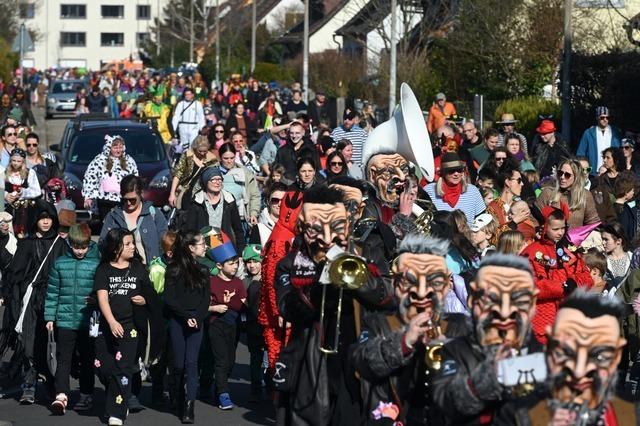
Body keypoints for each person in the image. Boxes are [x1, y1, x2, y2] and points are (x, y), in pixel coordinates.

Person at [274, 185, 390, 425]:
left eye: (335, 227)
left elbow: (388, 295)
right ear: (303, 227)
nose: (327, 239)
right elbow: (286, 307)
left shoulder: (367, 253)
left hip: (356, 360)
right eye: (316, 228)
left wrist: (355, 276)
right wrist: (319, 282)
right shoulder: (290, 263)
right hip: (310, 365)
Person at [351, 234, 468, 424]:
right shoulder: (378, 324)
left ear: (447, 286)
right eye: (409, 282)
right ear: (396, 284)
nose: (421, 293)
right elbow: (361, 361)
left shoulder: (460, 326)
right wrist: (404, 342)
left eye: (434, 282)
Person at [432, 254, 542, 424]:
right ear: (473, 302)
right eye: (492, 299)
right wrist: (487, 379)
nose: (504, 313)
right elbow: (444, 403)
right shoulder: (455, 351)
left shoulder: (541, 356)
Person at [517, 291, 634, 425]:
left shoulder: (628, 414)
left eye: (598, 356)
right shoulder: (520, 412)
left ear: (617, 356)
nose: (579, 371)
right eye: (568, 353)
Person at [0, 200, 66, 403]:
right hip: (29, 301)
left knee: (50, 343)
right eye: (41, 218)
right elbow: (15, 272)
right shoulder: (27, 243)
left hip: (53, 299)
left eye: (48, 218)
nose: (45, 222)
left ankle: (52, 385)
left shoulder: (60, 243)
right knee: (28, 343)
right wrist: (8, 294)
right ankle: (28, 385)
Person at [93, 228, 160, 426]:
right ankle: (117, 395)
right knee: (104, 368)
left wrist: (144, 300)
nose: (133, 247)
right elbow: (102, 298)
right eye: (128, 244)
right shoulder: (104, 269)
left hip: (131, 327)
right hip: (106, 326)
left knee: (123, 370)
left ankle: (117, 411)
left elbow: (152, 296)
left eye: (133, 243)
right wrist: (112, 322)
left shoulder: (138, 267)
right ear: (116, 248)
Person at [44, 223, 99, 414]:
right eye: (76, 246)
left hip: (89, 320)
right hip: (65, 319)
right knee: (63, 358)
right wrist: (50, 316)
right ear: (70, 244)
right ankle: (61, 394)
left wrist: (96, 299)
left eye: (83, 247)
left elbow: (103, 291)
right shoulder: (60, 264)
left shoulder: (96, 264)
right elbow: (52, 292)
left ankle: (86, 393)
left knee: (87, 358)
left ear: (89, 245)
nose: (80, 251)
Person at [521, 207, 593, 344]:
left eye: (563, 228)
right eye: (555, 229)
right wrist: (561, 287)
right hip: (543, 320)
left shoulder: (570, 250)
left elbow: (587, 277)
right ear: (544, 227)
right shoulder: (531, 252)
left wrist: (575, 283)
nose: (560, 233)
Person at [163, 229, 210, 423]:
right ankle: (177, 394)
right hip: (177, 320)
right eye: (201, 243)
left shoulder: (204, 270)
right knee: (178, 364)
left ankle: (189, 406)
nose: (205, 246)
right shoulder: (173, 269)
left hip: (196, 320)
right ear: (191, 248)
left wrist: (197, 317)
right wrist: (185, 317)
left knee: (192, 364)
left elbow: (205, 299)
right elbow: (170, 299)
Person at [207, 237, 246, 410]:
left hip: (233, 324)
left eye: (236, 263)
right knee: (221, 359)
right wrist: (214, 308)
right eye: (231, 263)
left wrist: (233, 302)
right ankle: (224, 393)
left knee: (230, 360)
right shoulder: (211, 282)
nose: (235, 266)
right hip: (216, 324)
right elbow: (203, 305)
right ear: (219, 266)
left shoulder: (238, 283)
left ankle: (218, 386)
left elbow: (243, 304)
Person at [99, 175, 169, 265]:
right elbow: (103, 244)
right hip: (123, 272)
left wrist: (158, 264)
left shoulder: (154, 214)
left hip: (151, 271)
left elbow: (165, 243)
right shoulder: (113, 216)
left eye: (132, 200)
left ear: (141, 193)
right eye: (124, 199)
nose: (128, 203)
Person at [180, 166, 245, 253]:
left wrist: (240, 252)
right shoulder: (197, 202)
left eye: (219, 179)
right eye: (213, 179)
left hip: (226, 248)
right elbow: (190, 230)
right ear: (206, 182)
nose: (217, 182)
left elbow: (238, 229)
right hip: (203, 249)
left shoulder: (229, 200)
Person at [82, 135, 139, 220]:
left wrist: (136, 193)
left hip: (123, 199)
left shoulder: (129, 160)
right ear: (109, 148)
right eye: (115, 147)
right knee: (107, 224)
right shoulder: (100, 160)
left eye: (120, 147)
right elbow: (90, 177)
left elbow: (135, 178)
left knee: (122, 224)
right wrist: (88, 196)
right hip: (105, 200)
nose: (118, 150)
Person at [536, 159, 600, 230]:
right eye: (560, 173)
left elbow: (593, 223)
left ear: (576, 177)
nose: (562, 177)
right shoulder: (548, 193)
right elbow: (534, 217)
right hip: (550, 239)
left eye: (567, 175)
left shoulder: (585, 195)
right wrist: (537, 231)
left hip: (575, 239)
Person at [426, 152, 486, 224]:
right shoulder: (429, 190)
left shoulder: (473, 191)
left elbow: (482, 220)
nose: (456, 174)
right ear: (443, 172)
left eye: (459, 170)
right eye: (451, 170)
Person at [240, 244, 266, 402]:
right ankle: (255, 387)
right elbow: (244, 307)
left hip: (268, 325)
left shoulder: (270, 279)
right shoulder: (244, 283)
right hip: (252, 325)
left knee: (271, 358)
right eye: (249, 262)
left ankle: (271, 385)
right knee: (255, 357)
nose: (252, 265)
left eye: (256, 261)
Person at [168, 135, 218, 210]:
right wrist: (172, 194)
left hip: (203, 195)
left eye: (205, 151)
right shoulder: (188, 156)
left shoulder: (212, 160)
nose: (202, 154)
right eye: (200, 151)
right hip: (185, 193)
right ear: (195, 148)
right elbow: (178, 174)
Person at [218, 143, 261, 227]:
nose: (229, 161)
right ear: (220, 157)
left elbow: (254, 195)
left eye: (232, 158)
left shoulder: (245, 173)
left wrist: (253, 213)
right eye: (226, 158)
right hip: (219, 218)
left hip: (241, 218)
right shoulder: (212, 173)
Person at [4, 148, 41, 236]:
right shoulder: (4, 173)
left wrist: (23, 193)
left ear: (23, 162)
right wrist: (6, 195)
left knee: (24, 233)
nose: (15, 163)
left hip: (25, 209)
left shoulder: (30, 173)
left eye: (19, 161)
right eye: (13, 160)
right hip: (8, 209)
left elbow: (37, 191)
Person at [577, 106, 623, 175]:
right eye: (602, 117)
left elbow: (620, 153)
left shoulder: (615, 132)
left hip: (611, 172)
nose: (605, 120)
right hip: (593, 173)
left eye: (607, 117)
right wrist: (585, 172)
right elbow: (580, 154)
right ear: (597, 118)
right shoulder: (589, 133)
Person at [600, 222, 632, 295]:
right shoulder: (601, 259)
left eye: (606, 239)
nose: (603, 242)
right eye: (602, 239)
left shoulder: (632, 259)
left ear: (618, 241)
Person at [250, 182, 286, 246]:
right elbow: (254, 255)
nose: (280, 204)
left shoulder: (293, 227)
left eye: (283, 200)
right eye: (275, 200)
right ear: (268, 202)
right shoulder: (258, 228)